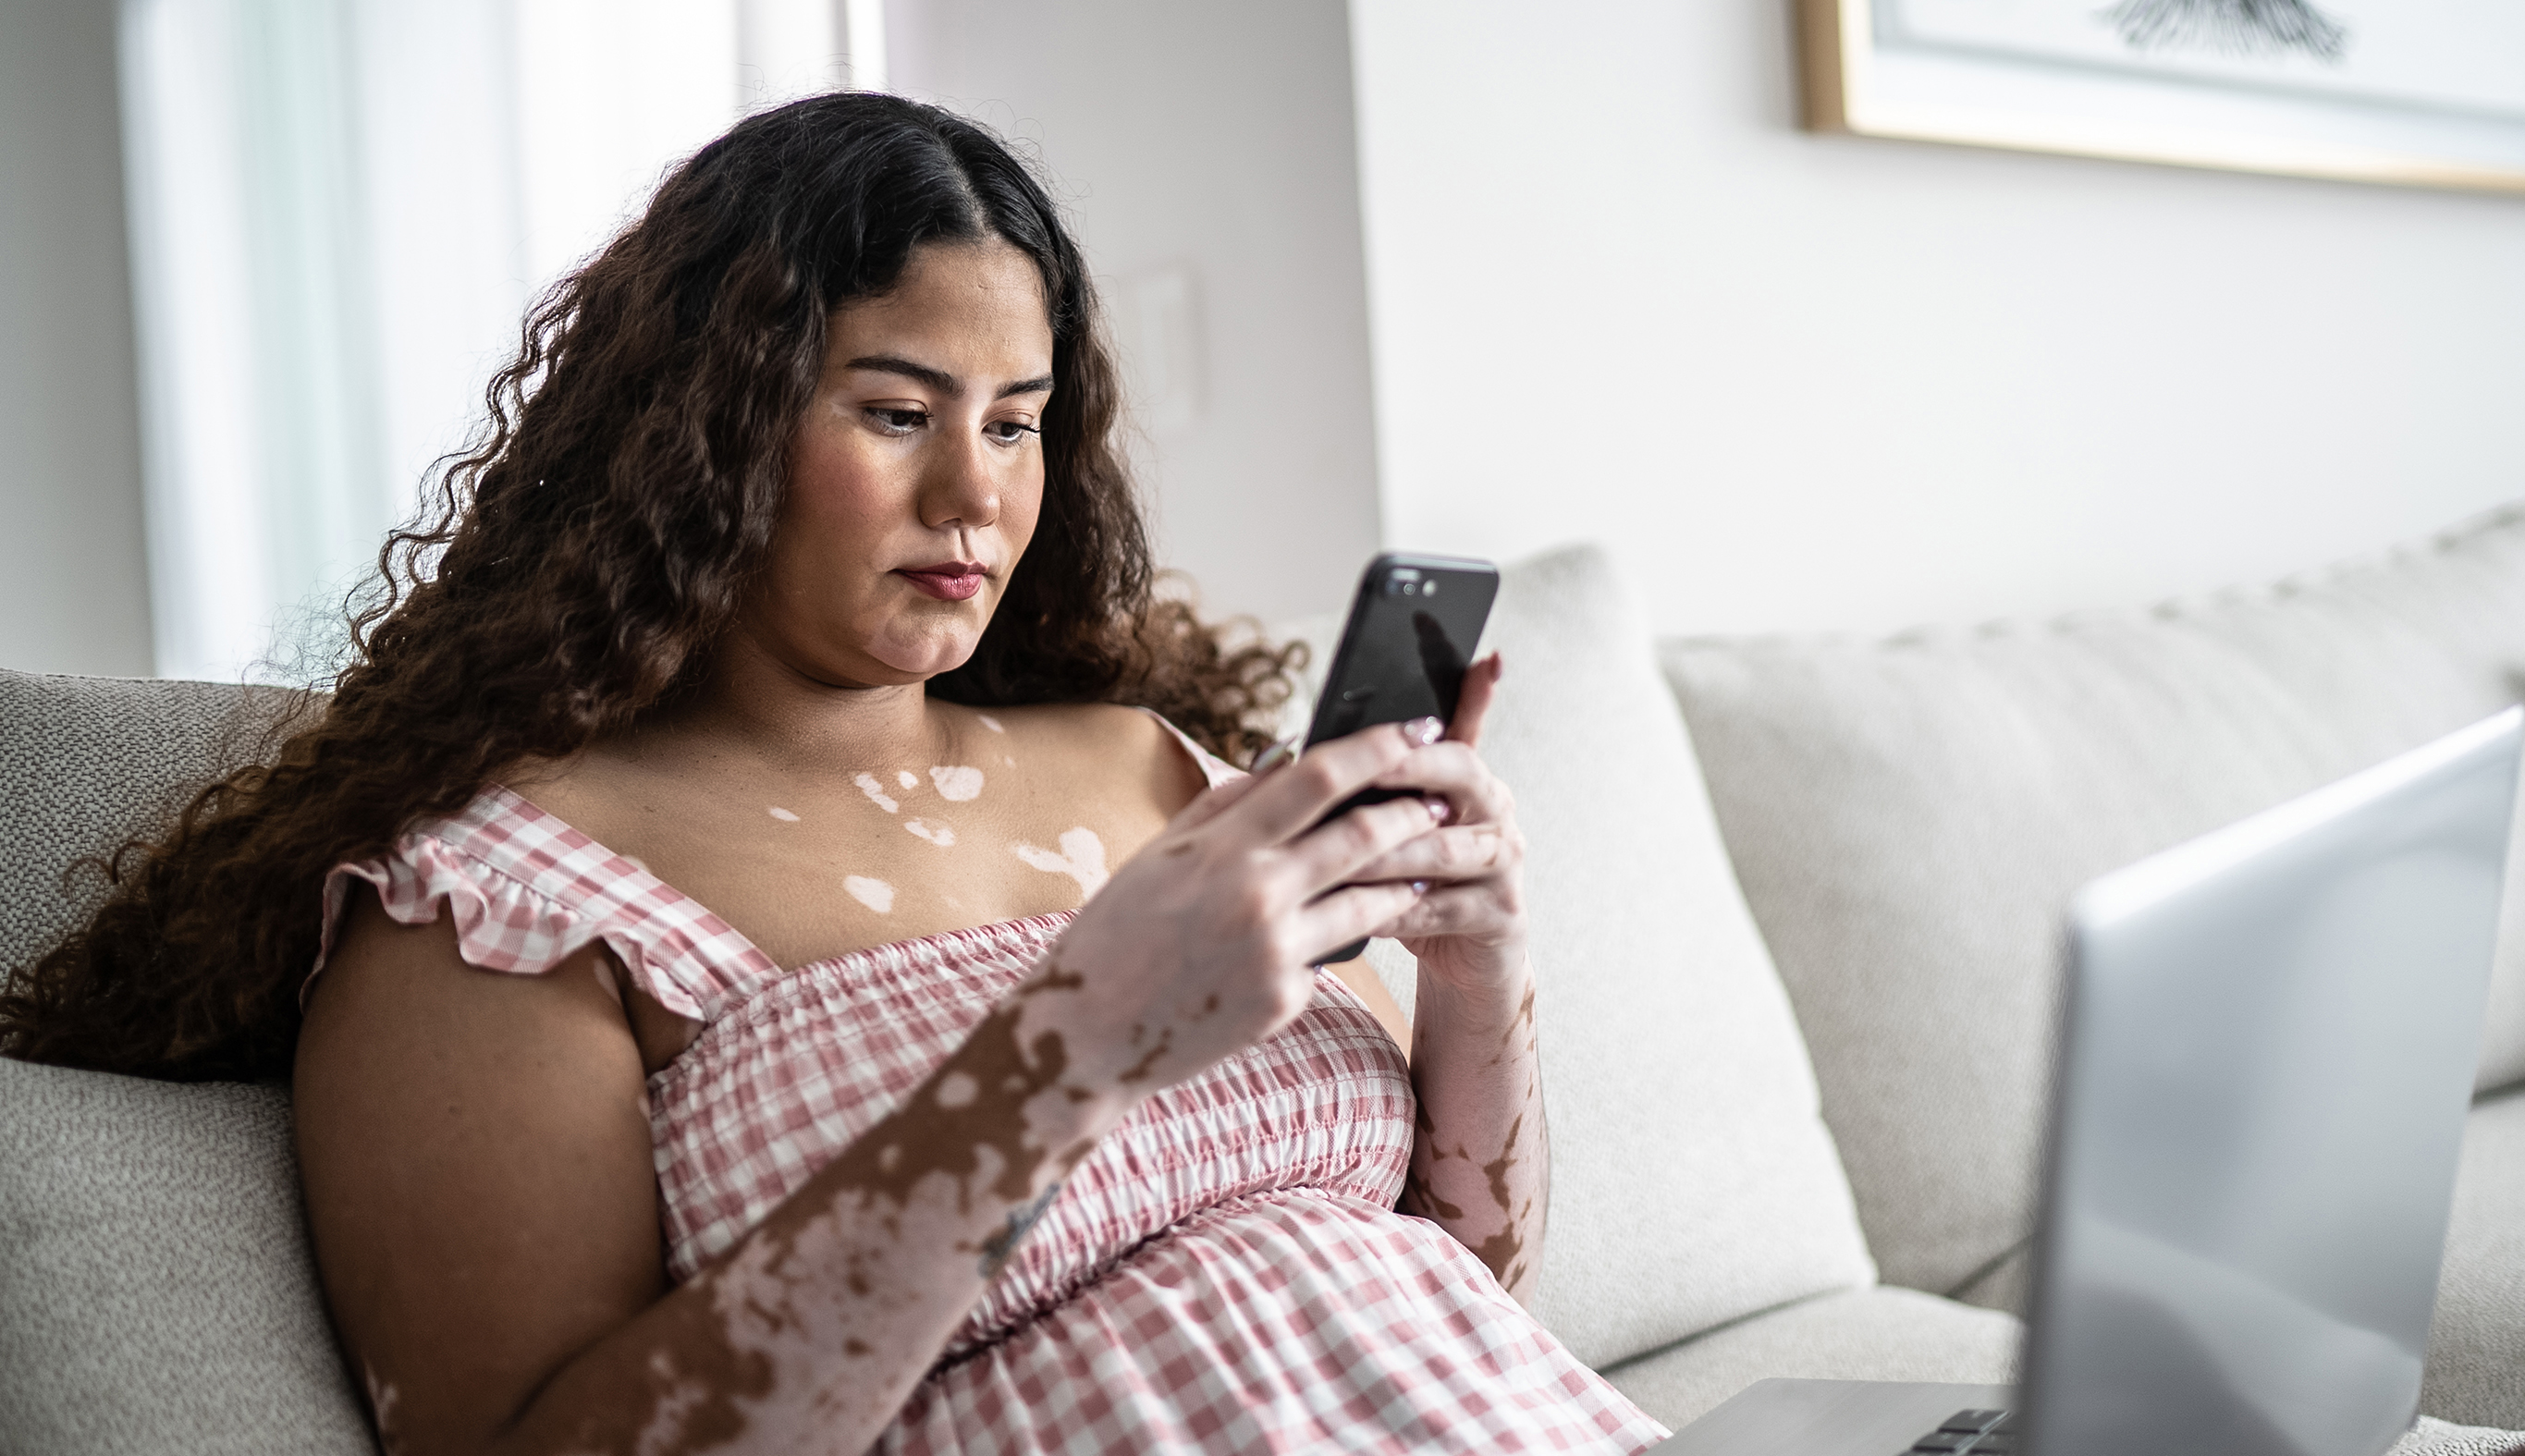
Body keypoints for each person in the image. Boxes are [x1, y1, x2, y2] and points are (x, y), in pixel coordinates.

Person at [0, 93, 1666, 1454]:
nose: (977, 497)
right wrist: (1075, 1039)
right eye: (895, 412)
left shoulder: (1152, 768)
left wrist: (1476, 973)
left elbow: (1468, 1290)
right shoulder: (505, 904)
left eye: (1017, 424)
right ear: (705, 437)